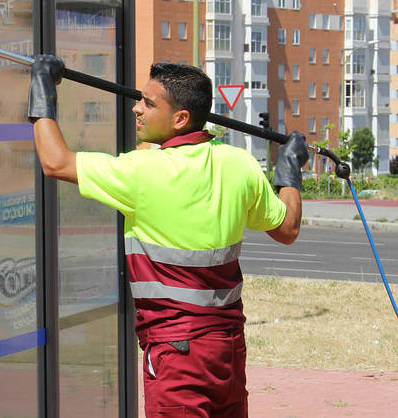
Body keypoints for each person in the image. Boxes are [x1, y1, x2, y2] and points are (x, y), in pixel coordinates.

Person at [27, 54, 308, 418]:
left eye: (148, 103)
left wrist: (41, 91)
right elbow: (287, 229)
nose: (136, 110)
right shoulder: (239, 164)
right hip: (227, 352)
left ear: (180, 119)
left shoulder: (141, 172)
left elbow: (55, 162)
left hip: (176, 357)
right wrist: (288, 174)